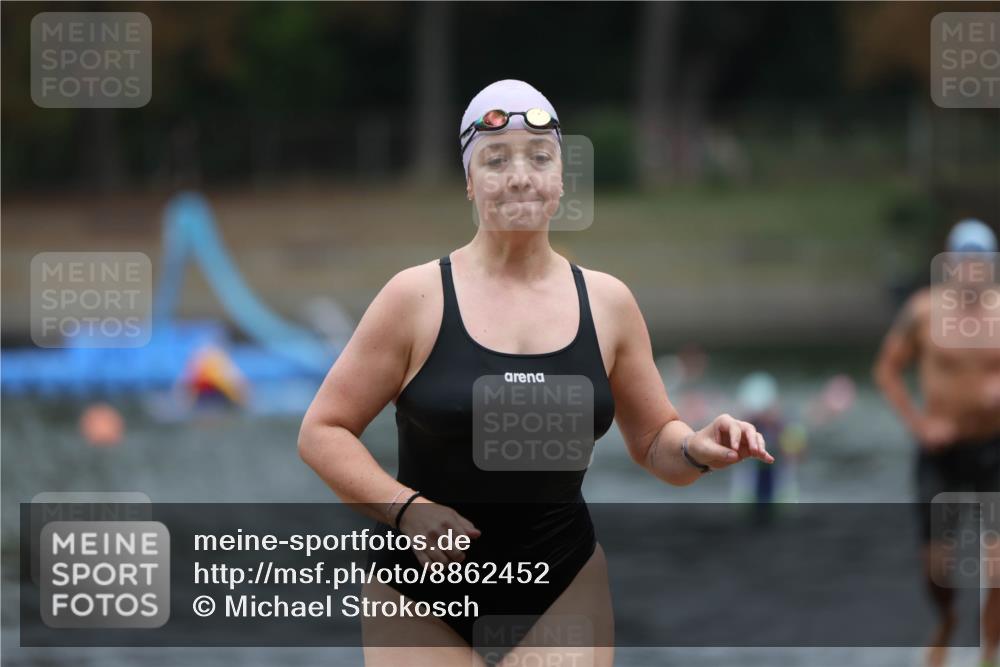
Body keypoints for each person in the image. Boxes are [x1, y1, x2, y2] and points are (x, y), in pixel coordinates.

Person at [298, 79, 774, 667]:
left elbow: (655, 443)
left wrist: (699, 446)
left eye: (539, 157)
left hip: (560, 581)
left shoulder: (607, 303)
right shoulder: (415, 298)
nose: (520, 175)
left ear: (561, 180)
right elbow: (322, 431)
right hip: (418, 585)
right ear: (469, 182)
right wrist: (405, 509)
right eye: (496, 160)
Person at [873, 218, 1000, 667]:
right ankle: (946, 620)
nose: (971, 270)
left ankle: (989, 651)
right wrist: (918, 424)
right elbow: (887, 369)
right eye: (963, 260)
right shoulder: (924, 312)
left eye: (980, 260)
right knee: (937, 567)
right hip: (940, 453)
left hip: (993, 449)